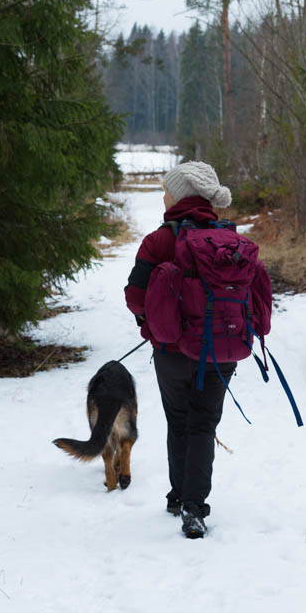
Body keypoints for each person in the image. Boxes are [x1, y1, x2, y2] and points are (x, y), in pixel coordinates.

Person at [124, 161, 235, 539]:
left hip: (171, 349)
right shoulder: (229, 238)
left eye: (167, 190)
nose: (164, 195)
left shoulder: (159, 240)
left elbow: (134, 296)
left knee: (179, 420)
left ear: (181, 195)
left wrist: (149, 322)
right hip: (220, 349)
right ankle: (194, 506)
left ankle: (177, 497)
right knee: (204, 422)